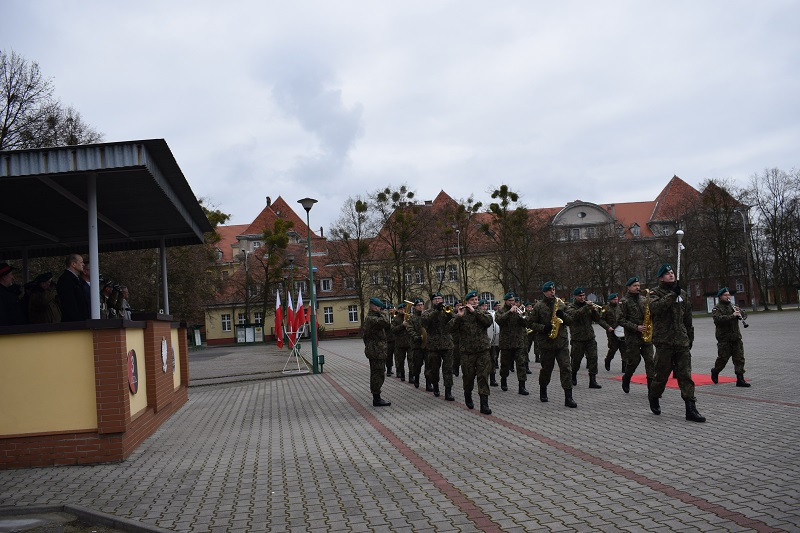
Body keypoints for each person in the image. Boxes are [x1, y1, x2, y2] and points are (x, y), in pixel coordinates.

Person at [648, 264, 705, 422]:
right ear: (660, 278)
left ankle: (691, 409)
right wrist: (672, 295)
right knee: (661, 376)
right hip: (664, 342)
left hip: (681, 341)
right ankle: (654, 396)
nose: (671, 275)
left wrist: (690, 338)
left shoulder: (683, 294)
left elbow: (687, 318)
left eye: (672, 272)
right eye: (667, 274)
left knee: (685, 375)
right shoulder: (654, 293)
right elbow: (656, 308)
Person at [529, 281, 577, 408]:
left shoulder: (560, 304)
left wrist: (563, 315)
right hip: (546, 344)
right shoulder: (538, 306)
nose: (552, 292)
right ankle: (543, 389)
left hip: (561, 342)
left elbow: (571, 320)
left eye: (554, 290)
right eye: (550, 290)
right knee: (546, 369)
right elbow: (530, 323)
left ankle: (568, 397)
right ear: (544, 292)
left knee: (566, 368)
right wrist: (544, 327)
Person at [451, 290, 494, 414]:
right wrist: (458, 317)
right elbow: (450, 329)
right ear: (467, 302)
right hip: (467, 353)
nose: (475, 302)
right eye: (472, 300)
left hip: (483, 351)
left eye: (476, 300)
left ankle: (484, 405)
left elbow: (488, 322)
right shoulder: (461, 315)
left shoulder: (482, 313)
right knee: (468, 378)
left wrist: (475, 312)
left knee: (483, 377)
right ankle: (467, 394)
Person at [567, 288, 611, 389]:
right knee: (576, 360)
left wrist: (594, 310)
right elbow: (575, 316)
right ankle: (573, 375)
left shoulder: (588, 307)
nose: (582, 297)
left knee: (593, 358)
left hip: (590, 337)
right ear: (575, 297)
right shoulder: (570, 307)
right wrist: (587, 307)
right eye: (580, 296)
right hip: (578, 339)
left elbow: (597, 319)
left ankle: (593, 380)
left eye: (583, 295)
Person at [619, 277, 655, 393]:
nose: (638, 287)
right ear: (628, 287)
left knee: (650, 360)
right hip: (632, 337)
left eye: (638, 285)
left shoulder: (644, 299)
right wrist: (636, 327)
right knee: (634, 361)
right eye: (635, 285)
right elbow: (620, 320)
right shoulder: (624, 302)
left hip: (646, 336)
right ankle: (627, 378)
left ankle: (651, 389)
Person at [711, 288, 750, 387]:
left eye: (729, 295)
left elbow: (745, 315)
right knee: (723, 359)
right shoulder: (717, 308)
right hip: (724, 338)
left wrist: (740, 313)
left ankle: (740, 379)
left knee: (739, 359)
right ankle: (715, 371)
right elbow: (718, 320)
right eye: (725, 295)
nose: (728, 297)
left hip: (736, 337)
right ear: (720, 296)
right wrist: (732, 315)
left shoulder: (733, 306)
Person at [422, 292, 455, 400]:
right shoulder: (427, 312)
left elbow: (454, 320)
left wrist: (448, 312)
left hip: (447, 344)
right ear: (432, 301)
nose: (438, 300)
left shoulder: (446, 310)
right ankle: (435, 386)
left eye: (440, 298)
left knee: (448, 369)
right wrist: (436, 311)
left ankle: (448, 392)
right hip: (433, 346)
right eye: (435, 299)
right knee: (434, 369)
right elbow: (425, 322)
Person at [495, 291, 530, 395]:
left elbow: (527, 322)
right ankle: (504, 380)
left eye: (513, 301)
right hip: (506, 343)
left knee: (521, 364)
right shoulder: (500, 311)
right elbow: (499, 321)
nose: (512, 302)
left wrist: (522, 315)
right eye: (510, 301)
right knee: (505, 365)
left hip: (519, 342)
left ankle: (522, 386)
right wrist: (509, 312)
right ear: (505, 301)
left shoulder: (518, 311)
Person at [363, 297, 391, 407]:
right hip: (375, 351)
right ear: (374, 307)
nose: (381, 309)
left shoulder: (375, 317)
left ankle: (377, 397)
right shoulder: (371, 318)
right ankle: (376, 398)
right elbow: (384, 322)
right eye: (379, 307)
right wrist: (385, 312)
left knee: (379, 373)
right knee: (377, 374)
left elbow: (388, 326)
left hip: (378, 350)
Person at [56, 254, 90, 322]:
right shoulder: (66, 280)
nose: (83, 264)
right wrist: (79, 321)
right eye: (81, 262)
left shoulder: (77, 279)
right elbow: (69, 304)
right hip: (74, 323)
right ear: (73, 264)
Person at [405, 298, 426, 388]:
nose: (420, 307)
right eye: (418, 305)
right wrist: (416, 337)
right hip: (417, 344)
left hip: (427, 344)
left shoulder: (426, 316)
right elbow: (409, 329)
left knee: (429, 365)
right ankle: (416, 379)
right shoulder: (412, 318)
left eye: (422, 305)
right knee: (417, 364)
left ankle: (428, 383)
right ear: (415, 307)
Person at [603, 293, 625, 372]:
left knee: (624, 348)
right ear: (610, 300)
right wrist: (607, 327)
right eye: (614, 299)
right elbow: (601, 320)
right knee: (613, 348)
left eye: (617, 299)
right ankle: (608, 360)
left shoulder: (621, 306)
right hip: (611, 331)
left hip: (621, 330)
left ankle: (624, 367)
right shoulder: (606, 308)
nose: (616, 301)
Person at [0, 262, 26, 326]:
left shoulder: (8, 292)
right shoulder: (2, 294)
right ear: (4, 277)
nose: (12, 277)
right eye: (11, 274)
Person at [391, 303, 411, 381]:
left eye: (404, 309)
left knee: (411, 360)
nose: (403, 310)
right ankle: (402, 374)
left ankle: (411, 376)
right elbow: (393, 330)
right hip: (399, 343)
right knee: (400, 360)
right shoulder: (395, 319)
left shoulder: (409, 317)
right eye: (401, 309)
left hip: (409, 342)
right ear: (398, 310)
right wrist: (402, 325)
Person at [487, 300, 501, 386]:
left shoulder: (491, 315)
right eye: (483, 306)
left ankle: (492, 380)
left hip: (492, 341)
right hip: (480, 344)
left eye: (486, 305)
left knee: (492, 360)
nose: (484, 307)